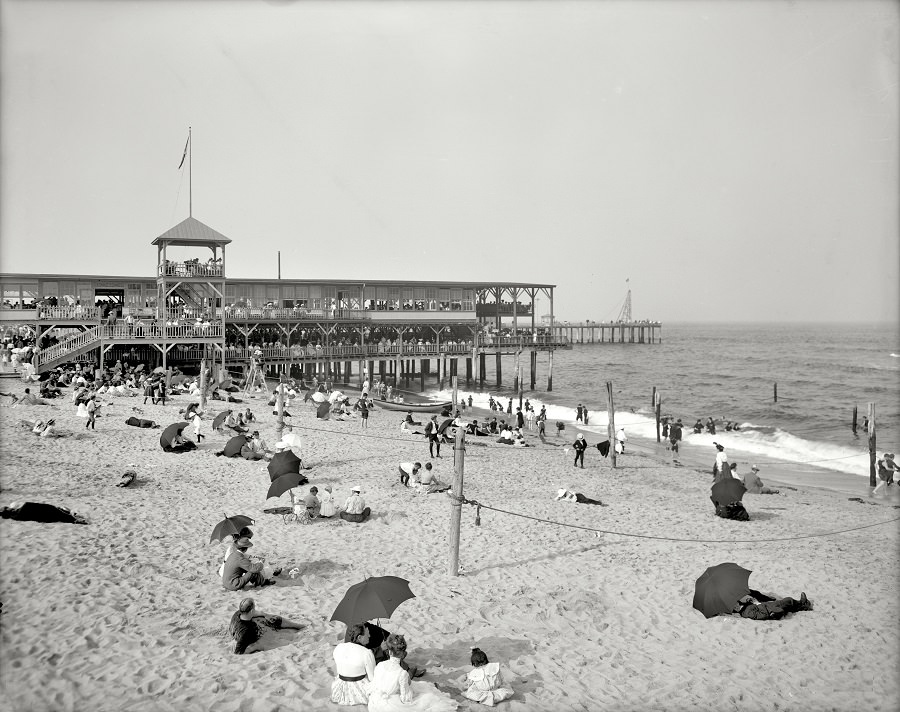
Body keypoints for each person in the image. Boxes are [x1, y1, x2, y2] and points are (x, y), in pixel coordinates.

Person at [368, 634, 457, 712]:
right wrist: (408, 687)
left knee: (416, 686)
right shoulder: (402, 673)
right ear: (403, 654)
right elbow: (406, 699)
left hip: (375, 703)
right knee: (427, 696)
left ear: (389, 651)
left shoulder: (380, 665)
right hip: (391, 706)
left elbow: (375, 684)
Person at [229, 597, 305, 655]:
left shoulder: (238, 613)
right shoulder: (246, 630)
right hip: (251, 635)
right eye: (254, 608)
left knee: (268, 617)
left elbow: (256, 613)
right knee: (275, 620)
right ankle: (296, 626)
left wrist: (265, 615)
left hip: (239, 630)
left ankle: (295, 625)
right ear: (251, 610)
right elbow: (238, 652)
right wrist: (256, 646)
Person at [332, 624, 376, 705]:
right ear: (359, 637)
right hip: (360, 691)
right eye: (367, 634)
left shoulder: (339, 647)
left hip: (340, 689)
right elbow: (372, 678)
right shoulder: (366, 652)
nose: (369, 636)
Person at [731, 591, 813, 620]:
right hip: (768, 608)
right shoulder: (746, 612)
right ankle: (803, 604)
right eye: (734, 606)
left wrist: (751, 601)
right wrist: (769, 612)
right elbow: (761, 615)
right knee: (788, 600)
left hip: (766, 605)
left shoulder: (745, 605)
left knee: (787, 605)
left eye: (736, 603)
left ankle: (802, 606)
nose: (736, 604)